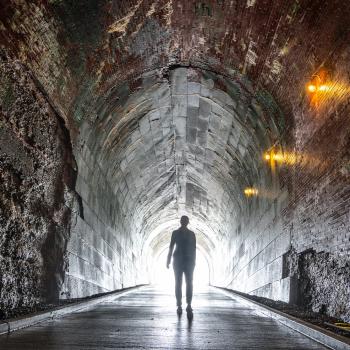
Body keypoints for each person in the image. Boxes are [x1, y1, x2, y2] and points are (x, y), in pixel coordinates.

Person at [166, 215, 196, 319]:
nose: (184, 222)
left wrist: (194, 262)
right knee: (178, 283)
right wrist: (168, 260)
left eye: (186, 221)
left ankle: (188, 304)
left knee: (189, 283)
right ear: (181, 222)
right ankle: (179, 305)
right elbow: (171, 247)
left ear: (187, 222)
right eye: (183, 220)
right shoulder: (175, 233)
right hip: (178, 261)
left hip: (188, 262)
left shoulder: (192, 234)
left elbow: (194, 249)